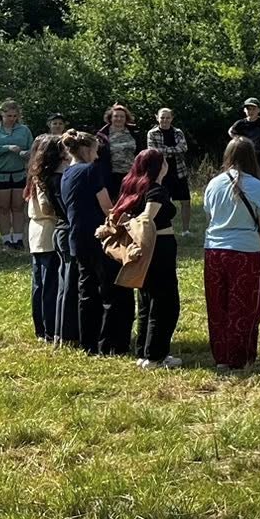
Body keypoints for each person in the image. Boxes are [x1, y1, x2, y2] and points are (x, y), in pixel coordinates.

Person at [203, 138, 260, 373]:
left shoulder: (214, 184)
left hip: (214, 249)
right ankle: (240, 357)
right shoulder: (257, 186)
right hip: (246, 250)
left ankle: (221, 356)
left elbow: (210, 217)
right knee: (245, 306)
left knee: (218, 305)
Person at [110, 150, 181, 369]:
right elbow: (146, 219)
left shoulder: (133, 187)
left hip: (142, 250)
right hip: (158, 248)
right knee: (165, 302)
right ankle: (155, 355)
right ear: (159, 166)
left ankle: (144, 351)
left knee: (146, 300)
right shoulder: (156, 190)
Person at [59, 131, 124, 355]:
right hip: (97, 236)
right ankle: (108, 342)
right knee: (108, 289)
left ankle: (88, 342)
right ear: (86, 150)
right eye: (95, 151)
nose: (97, 156)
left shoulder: (66, 173)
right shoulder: (90, 170)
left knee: (86, 290)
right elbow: (107, 207)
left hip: (77, 237)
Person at [24, 135, 68, 342]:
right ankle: (48, 329)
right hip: (47, 229)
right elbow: (46, 208)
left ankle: (42, 329)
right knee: (48, 284)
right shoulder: (43, 178)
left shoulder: (36, 174)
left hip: (37, 231)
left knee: (40, 283)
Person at [0, 99, 32, 250]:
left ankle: (18, 239)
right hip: (0, 173)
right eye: (9, 116)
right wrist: (6, 148)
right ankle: (6, 240)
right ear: (1, 114)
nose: (12, 119)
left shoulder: (24, 130)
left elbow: (32, 149)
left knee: (18, 207)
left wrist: (26, 154)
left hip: (19, 173)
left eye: (14, 116)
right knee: (3, 207)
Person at [148, 108, 193, 218]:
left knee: (186, 201)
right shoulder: (152, 133)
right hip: (161, 173)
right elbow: (153, 151)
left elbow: (183, 148)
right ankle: (167, 226)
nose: (165, 120)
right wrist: (173, 150)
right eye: (162, 117)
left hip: (179, 171)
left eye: (168, 118)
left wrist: (164, 150)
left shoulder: (178, 132)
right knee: (163, 203)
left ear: (172, 118)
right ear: (157, 118)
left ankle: (186, 228)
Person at [100, 104, 140, 192]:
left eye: (122, 116)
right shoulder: (103, 135)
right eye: (116, 116)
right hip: (111, 175)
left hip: (131, 173)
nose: (119, 119)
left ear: (126, 118)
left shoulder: (134, 132)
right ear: (110, 118)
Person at [229, 99, 260, 163]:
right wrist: (239, 140)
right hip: (245, 155)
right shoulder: (240, 124)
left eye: (253, 109)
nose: (251, 111)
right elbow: (231, 131)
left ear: (258, 110)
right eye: (248, 109)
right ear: (244, 110)